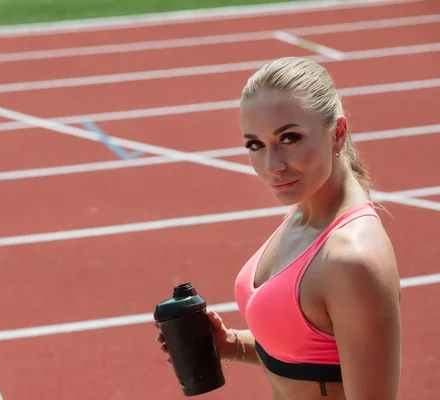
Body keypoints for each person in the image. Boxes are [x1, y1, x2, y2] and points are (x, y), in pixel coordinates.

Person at [155, 57, 402, 399]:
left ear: (338, 134)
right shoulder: (307, 209)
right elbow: (312, 353)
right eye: (255, 144)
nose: (272, 166)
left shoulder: (352, 261)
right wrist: (231, 344)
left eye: (289, 138)